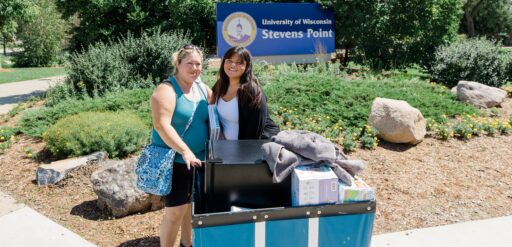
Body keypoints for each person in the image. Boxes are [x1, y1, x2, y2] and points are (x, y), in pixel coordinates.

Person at [150, 44, 211, 247]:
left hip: (200, 160)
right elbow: (161, 125)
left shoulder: (202, 88)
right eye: (189, 63)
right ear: (178, 64)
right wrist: (185, 150)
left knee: (190, 208)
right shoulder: (166, 90)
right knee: (175, 211)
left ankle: (187, 243)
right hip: (175, 161)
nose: (195, 68)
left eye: (198, 64)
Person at [212, 46, 280, 140]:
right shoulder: (220, 85)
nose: (233, 65)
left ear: (247, 66)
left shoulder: (252, 92)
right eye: (229, 61)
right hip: (225, 148)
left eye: (238, 62)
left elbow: (254, 133)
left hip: (246, 150)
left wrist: (242, 153)